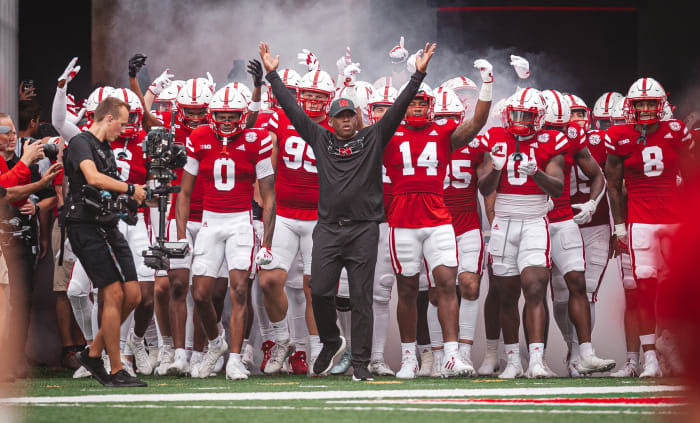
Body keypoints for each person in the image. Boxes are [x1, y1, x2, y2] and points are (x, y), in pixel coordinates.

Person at [260, 40, 435, 381]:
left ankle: (361, 365)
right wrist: (273, 76)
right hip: (327, 227)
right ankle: (330, 341)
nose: (344, 121)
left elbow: (399, 107)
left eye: (349, 115)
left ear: (357, 118)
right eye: (339, 116)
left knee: (361, 297)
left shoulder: (373, 137)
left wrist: (417, 74)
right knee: (321, 290)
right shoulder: (320, 139)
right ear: (330, 120)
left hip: (363, 228)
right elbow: (292, 110)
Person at [177, 86, 275, 380]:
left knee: (240, 290)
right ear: (212, 115)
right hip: (210, 221)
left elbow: (268, 195)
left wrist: (267, 242)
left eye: (233, 115)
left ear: (244, 115)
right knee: (201, 294)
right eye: (222, 115)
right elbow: (184, 192)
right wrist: (182, 235)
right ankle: (216, 343)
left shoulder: (256, 140)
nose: (228, 120)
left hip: (240, 222)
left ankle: (234, 357)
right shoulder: (199, 137)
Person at [606, 77, 693, 378]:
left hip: (673, 222)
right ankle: (650, 357)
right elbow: (613, 186)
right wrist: (619, 226)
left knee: (674, 291)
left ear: (661, 105)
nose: (644, 108)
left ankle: (670, 344)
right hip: (640, 222)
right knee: (644, 290)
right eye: (639, 104)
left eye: (649, 103)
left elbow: (692, 175)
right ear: (631, 106)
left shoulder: (675, 131)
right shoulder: (618, 135)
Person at [478, 88, 567, 379]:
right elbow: (484, 188)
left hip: (534, 220)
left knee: (535, 288)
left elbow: (557, 187)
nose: (518, 120)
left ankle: (537, 361)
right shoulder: (495, 137)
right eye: (514, 113)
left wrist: (536, 173)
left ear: (538, 118)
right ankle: (513, 360)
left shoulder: (551, 140)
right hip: (503, 219)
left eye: (525, 115)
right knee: (506, 295)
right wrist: (497, 170)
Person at [65, 96, 147, 387]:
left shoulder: (106, 149)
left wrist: (131, 199)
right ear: (108, 118)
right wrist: (130, 187)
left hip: (108, 225)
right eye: (122, 124)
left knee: (134, 295)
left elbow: (108, 190)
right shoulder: (80, 142)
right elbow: (92, 178)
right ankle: (115, 369)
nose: (124, 130)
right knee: (112, 294)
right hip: (85, 226)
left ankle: (92, 353)